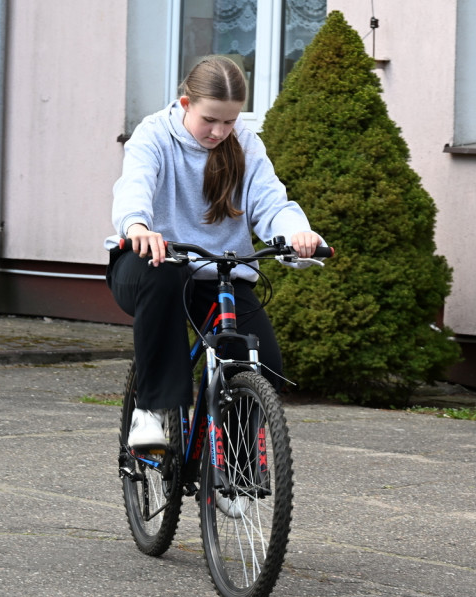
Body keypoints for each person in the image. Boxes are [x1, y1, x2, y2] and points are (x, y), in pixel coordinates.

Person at [106, 55, 323, 448]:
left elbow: (271, 204)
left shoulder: (245, 144)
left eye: (230, 121)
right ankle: (151, 411)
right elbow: (134, 185)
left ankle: (234, 468)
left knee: (263, 365)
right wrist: (138, 227)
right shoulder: (154, 134)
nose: (220, 131)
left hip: (219, 273)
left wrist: (297, 233)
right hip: (149, 266)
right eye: (210, 120)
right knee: (164, 273)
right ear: (186, 104)